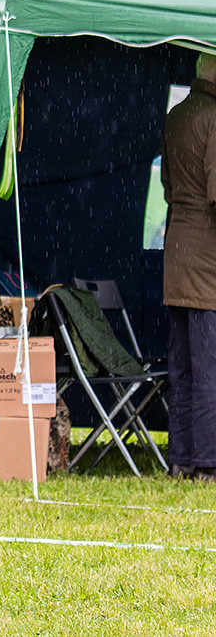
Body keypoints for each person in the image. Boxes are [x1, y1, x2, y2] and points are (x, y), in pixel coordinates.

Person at [161, 52, 216, 482]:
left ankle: (180, 458)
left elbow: (167, 187)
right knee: (209, 367)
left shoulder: (176, 115)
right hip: (206, 259)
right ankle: (207, 463)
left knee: (181, 368)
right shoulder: (214, 117)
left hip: (176, 246)